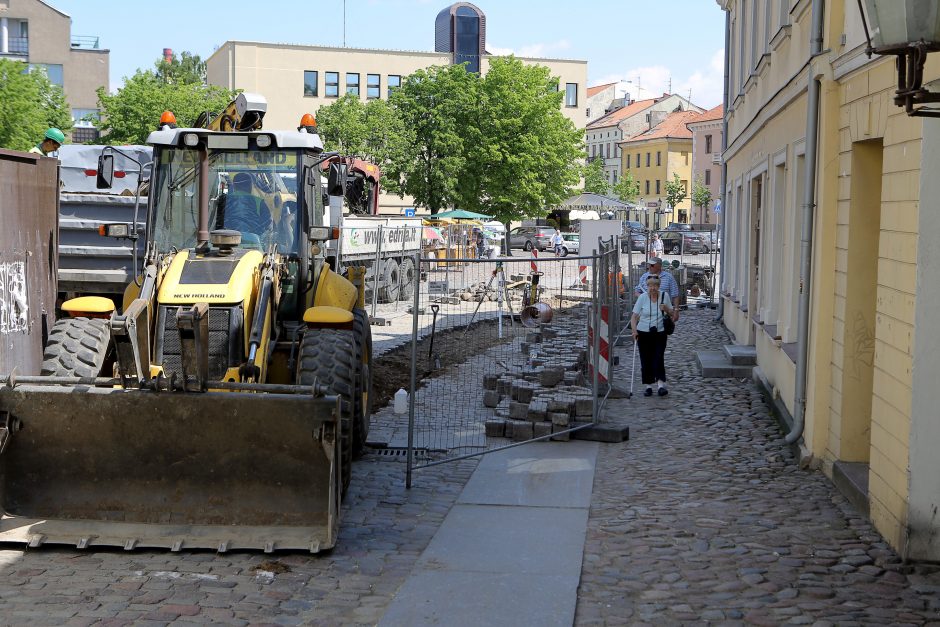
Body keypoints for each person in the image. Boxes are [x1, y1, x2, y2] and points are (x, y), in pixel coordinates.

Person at [631, 274, 677, 396]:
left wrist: (666, 308)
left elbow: (672, 313)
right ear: (647, 286)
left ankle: (661, 385)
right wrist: (634, 331)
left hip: (660, 333)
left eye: (655, 285)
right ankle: (648, 386)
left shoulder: (664, 296)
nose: (653, 288)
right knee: (646, 359)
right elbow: (634, 317)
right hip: (643, 332)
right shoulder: (642, 298)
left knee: (658, 358)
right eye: (650, 286)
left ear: (659, 286)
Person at [219, 172, 273, 239]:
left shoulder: (224, 200)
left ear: (234, 186)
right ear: (250, 186)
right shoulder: (259, 202)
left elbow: (218, 223)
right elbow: (267, 225)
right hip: (253, 241)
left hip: (228, 240)